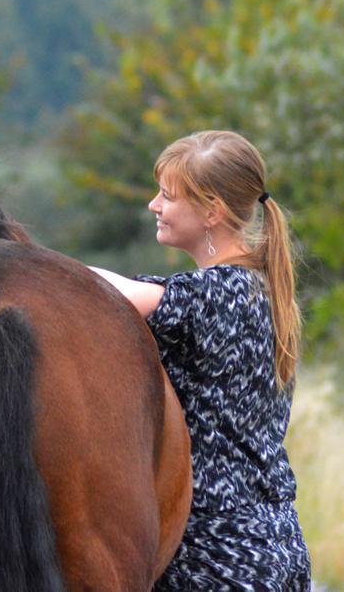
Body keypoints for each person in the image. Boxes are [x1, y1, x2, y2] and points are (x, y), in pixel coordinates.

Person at [91, 130, 311, 591]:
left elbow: (108, 293)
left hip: (216, 554)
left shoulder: (215, 296)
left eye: (168, 196)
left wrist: (24, 265)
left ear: (211, 211)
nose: (154, 204)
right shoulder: (260, 289)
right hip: (275, 540)